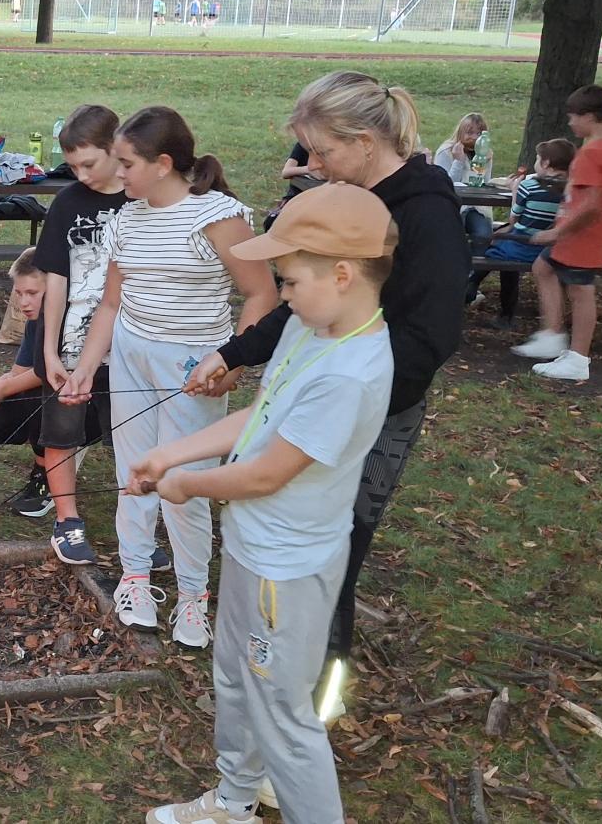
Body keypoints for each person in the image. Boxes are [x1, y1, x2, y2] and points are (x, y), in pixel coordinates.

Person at [188, 71, 465, 739]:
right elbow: (298, 298)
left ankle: (315, 696)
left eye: (321, 151)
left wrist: (344, 403)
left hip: (371, 409)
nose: (311, 165)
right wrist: (235, 352)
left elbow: (430, 339)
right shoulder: (342, 201)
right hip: (310, 398)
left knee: (333, 551)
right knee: (283, 538)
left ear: (365, 141)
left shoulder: (424, 214)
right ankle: (269, 676)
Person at [133, 182, 397, 824]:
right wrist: (172, 454)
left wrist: (187, 485)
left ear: (342, 275)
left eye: (290, 281)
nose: (282, 295)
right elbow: (262, 415)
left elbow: (266, 473)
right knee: (234, 676)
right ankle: (234, 801)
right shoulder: (312, 327)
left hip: (288, 570)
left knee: (283, 715)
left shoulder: (350, 372)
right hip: (253, 549)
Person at [61, 106, 278, 646]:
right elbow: (111, 304)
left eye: (126, 163)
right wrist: (85, 369)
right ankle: (135, 577)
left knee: (186, 481)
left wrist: (231, 361)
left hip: (192, 364)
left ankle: (192, 597)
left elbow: (261, 294)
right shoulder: (126, 218)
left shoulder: (217, 217)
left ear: (162, 164)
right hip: (132, 353)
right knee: (133, 470)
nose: (118, 173)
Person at [33, 104, 128, 566]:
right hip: (71, 341)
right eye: (73, 167)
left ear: (117, 149)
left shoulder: (140, 200)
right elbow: (55, 279)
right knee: (61, 430)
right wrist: (49, 349)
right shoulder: (68, 203)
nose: (81, 175)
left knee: (128, 435)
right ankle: (66, 520)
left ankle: (135, 527)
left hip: (128, 343)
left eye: (89, 164)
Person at [512, 86, 602, 383]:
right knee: (543, 267)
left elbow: (593, 205)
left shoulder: (591, 154)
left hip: (582, 235)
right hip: (592, 232)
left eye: (573, 116)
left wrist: (557, 232)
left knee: (581, 291)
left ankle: (578, 359)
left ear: (589, 116)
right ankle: (552, 335)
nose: (570, 122)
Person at [0, 249, 56, 517]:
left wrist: (3, 387)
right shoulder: (33, 322)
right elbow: (21, 372)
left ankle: (45, 476)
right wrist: (2, 383)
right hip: (44, 394)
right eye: (19, 293)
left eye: (32, 293)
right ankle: (45, 451)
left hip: (83, 401)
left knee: (40, 397)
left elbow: (48, 373)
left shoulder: (65, 319)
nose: (24, 302)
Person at [465, 138, 575, 329]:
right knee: (499, 238)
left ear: (546, 163)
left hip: (524, 245)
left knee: (497, 247)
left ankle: (476, 289)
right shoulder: (569, 190)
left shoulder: (529, 187)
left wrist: (515, 191)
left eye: (537, 159)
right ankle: (481, 293)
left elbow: (514, 219)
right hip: (548, 249)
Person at [435, 113, 496, 254]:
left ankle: (473, 267)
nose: (474, 138)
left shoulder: (483, 152)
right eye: (469, 132)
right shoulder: (445, 151)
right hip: (451, 206)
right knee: (454, 236)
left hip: (476, 207)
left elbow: (484, 182)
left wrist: (485, 163)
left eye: (479, 134)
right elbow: (444, 184)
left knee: (484, 236)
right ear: (460, 132)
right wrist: (458, 161)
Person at [263, 141, 316, 232]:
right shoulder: (303, 145)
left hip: (319, 198)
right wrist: (310, 169)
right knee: (272, 222)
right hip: (296, 195)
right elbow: (286, 172)